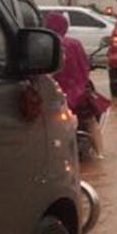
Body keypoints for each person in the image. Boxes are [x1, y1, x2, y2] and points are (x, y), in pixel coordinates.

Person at [45, 12, 109, 158]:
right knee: (91, 122)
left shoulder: (44, 43)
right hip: (78, 94)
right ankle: (100, 154)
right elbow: (84, 66)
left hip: (52, 94)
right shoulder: (74, 44)